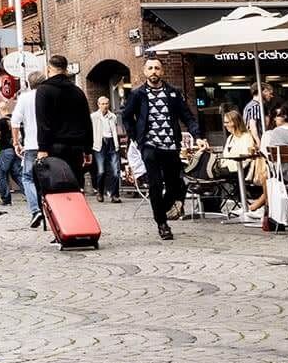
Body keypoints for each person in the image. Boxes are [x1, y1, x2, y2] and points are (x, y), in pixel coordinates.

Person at [121, 58, 201, 241]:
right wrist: (136, 137)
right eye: (150, 68)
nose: (154, 71)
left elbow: (187, 116)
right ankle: (162, 224)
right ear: (145, 72)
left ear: (162, 71)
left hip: (171, 145)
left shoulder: (173, 93)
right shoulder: (137, 94)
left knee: (174, 185)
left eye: (157, 68)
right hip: (150, 146)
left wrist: (197, 135)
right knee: (155, 184)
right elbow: (126, 117)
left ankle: (160, 211)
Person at [35, 55, 95, 187]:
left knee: (54, 187)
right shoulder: (77, 91)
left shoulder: (44, 90)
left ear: (49, 69)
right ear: (65, 69)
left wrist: (42, 148)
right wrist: (88, 149)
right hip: (76, 148)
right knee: (75, 185)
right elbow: (86, 121)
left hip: (54, 147)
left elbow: (42, 122)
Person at [11, 71, 47, 228]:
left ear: (29, 83)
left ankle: (35, 210)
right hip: (48, 145)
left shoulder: (24, 98)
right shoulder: (48, 96)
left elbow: (15, 122)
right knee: (48, 178)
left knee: (27, 178)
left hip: (31, 145)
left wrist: (16, 143)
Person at [218, 110, 267, 220]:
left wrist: (228, 164)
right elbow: (226, 155)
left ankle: (245, 205)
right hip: (229, 168)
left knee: (213, 173)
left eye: (227, 122)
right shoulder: (230, 138)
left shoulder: (246, 136)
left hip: (242, 169)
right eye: (224, 122)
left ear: (235, 122)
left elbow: (246, 157)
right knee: (212, 172)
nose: (225, 125)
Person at [91, 95, 123, 203]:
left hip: (111, 143)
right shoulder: (93, 117)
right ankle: (100, 192)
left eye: (106, 104)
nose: (105, 106)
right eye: (102, 104)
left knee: (115, 171)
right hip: (99, 144)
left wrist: (117, 144)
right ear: (98, 105)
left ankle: (115, 195)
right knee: (101, 171)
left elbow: (115, 130)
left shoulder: (113, 116)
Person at [0, 100, 20, 206]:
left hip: (5, 151)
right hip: (14, 149)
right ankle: (30, 194)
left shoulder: (1, 121)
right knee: (17, 175)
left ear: (0, 109)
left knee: (2, 175)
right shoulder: (13, 119)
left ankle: (6, 199)